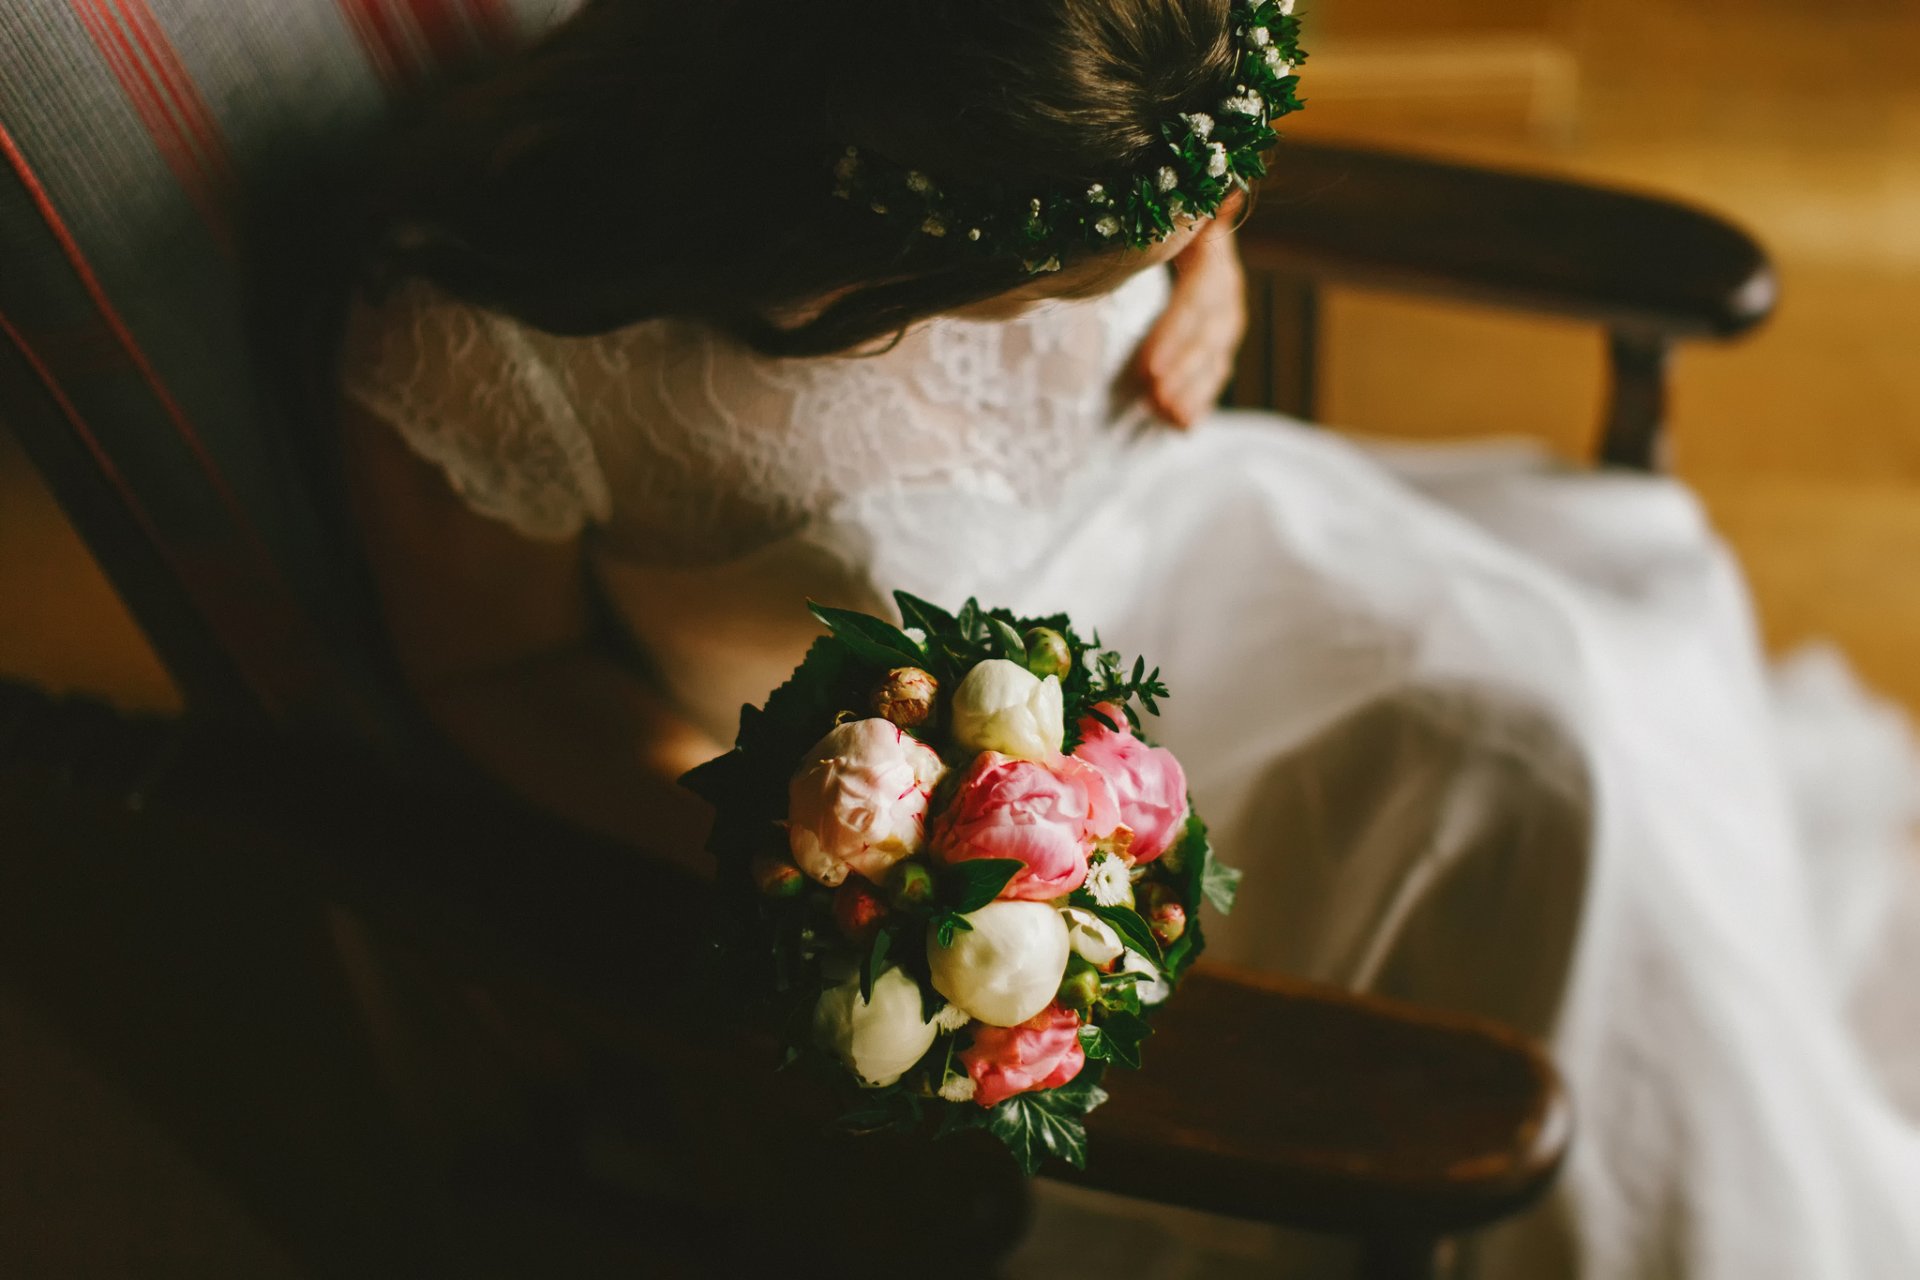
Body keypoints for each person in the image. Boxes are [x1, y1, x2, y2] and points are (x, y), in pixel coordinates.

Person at [320, 0, 1920, 1274]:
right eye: (1084, 281)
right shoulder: (500, 340)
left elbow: (1174, 148)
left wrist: (1203, 271)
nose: (1196, 232)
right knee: (1526, 780)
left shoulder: (1043, 69)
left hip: (1237, 536)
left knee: (1559, 701)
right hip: (1031, 794)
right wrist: (799, 846)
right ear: (920, 253)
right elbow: (497, 673)